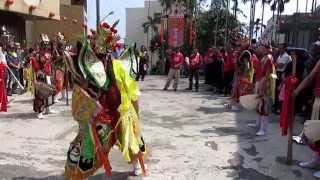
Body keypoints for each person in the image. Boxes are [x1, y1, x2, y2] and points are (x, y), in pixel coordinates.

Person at [64, 39, 148, 178]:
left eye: (103, 55)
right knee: (90, 141)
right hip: (103, 113)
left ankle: (137, 164)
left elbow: (132, 92)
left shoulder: (118, 67)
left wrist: (133, 111)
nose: (101, 58)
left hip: (121, 109)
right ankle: (79, 171)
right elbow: (83, 94)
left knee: (130, 137)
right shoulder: (87, 70)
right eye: (98, 55)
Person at [295, 60, 320, 178]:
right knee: (316, 134)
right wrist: (297, 90)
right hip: (318, 101)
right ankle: (316, 161)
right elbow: (310, 77)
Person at [253, 44, 276, 136]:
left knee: (264, 107)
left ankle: (263, 129)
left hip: (265, 84)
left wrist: (263, 85)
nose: (260, 49)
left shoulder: (269, 58)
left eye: (261, 48)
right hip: (261, 81)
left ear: (266, 49)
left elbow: (267, 75)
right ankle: (258, 123)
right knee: (260, 105)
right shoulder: (264, 57)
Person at [0, 45, 8, 112]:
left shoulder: (2, 53)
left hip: (3, 70)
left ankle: (3, 103)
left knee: (3, 88)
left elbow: (4, 62)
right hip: (2, 69)